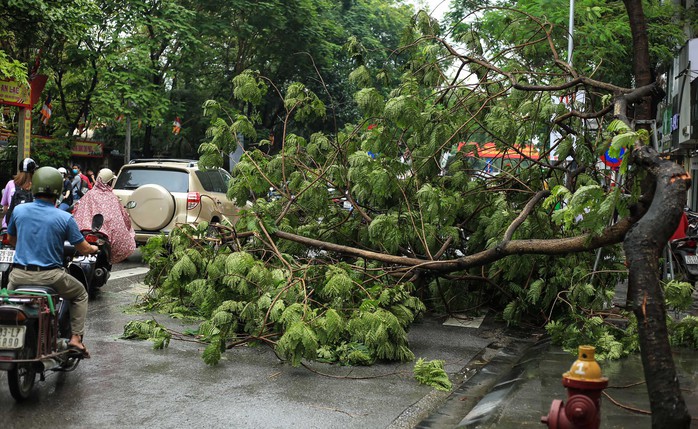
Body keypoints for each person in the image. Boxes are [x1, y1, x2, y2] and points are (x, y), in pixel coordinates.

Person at [7, 166, 98, 357]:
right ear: (58, 191)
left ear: (34, 187)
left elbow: (13, 240)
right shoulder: (65, 217)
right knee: (80, 293)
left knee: (8, 304)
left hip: (18, 277)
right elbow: (82, 248)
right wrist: (93, 248)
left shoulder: (19, 211)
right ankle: (75, 339)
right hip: (50, 277)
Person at [72, 168, 135, 264]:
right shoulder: (112, 197)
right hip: (103, 235)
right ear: (109, 181)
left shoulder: (89, 194)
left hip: (85, 231)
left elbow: (77, 209)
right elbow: (123, 217)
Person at [1, 157, 37, 228]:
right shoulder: (35, 186)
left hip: (8, 227)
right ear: (33, 172)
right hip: (28, 228)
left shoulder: (10, 183)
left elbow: (5, 209)